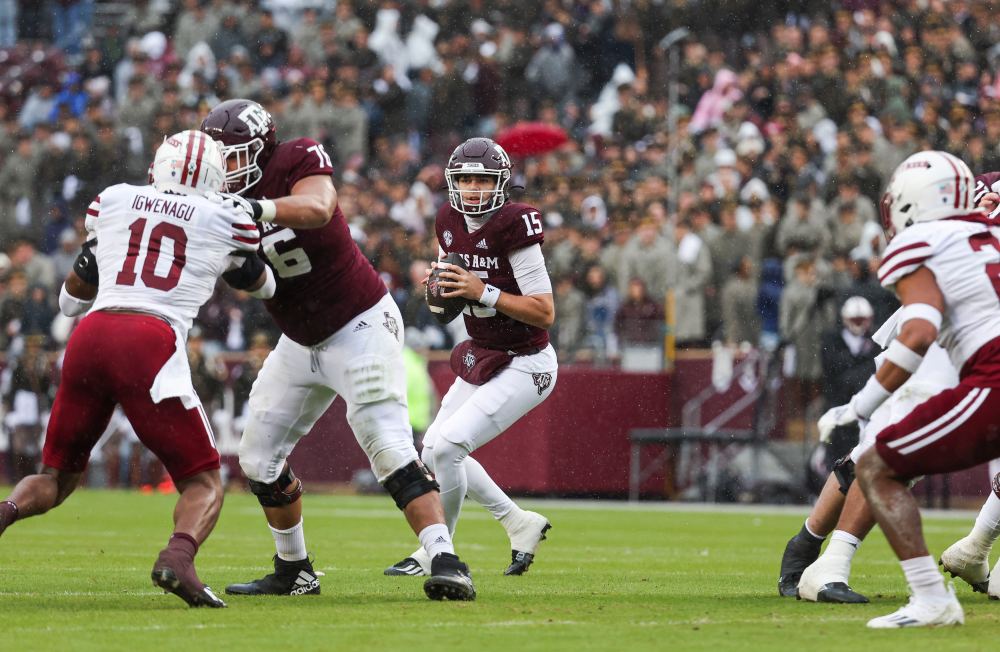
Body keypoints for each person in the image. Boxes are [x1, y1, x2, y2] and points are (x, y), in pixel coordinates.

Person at [200, 99, 474, 601]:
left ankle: (447, 560)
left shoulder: (297, 157)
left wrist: (255, 209)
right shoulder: (215, 199)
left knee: (386, 444)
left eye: (233, 156)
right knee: (258, 458)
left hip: (359, 322)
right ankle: (294, 569)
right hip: (299, 339)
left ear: (261, 148)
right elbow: (258, 281)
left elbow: (319, 206)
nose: (225, 169)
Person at [0, 130, 277, 608]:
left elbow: (70, 301)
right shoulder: (225, 216)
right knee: (205, 481)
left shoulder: (114, 200)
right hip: (149, 340)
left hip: (91, 334)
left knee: (57, 476)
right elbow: (266, 287)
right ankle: (178, 557)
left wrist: (94, 263)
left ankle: (4, 511)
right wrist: (224, 261)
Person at [827, 150, 1000, 628]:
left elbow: (919, 333)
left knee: (878, 466)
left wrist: (861, 403)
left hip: (995, 379)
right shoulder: (987, 235)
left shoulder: (920, 240)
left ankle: (931, 598)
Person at [383, 137, 556, 577]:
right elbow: (449, 286)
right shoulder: (447, 219)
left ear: (501, 183)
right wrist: (440, 288)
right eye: (465, 179)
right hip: (485, 353)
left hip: (527, 360)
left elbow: (543, 312)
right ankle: (518, 522)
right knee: (435, 447)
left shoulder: (516, 224)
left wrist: (484, 292)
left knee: (451, 445)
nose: (474, 188)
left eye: (482, 179)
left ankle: (439, 552)